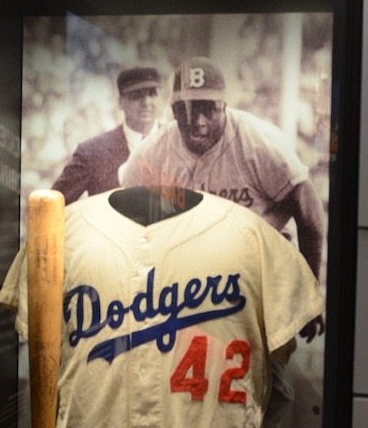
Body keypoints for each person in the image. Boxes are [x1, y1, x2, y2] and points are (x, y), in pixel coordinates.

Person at [120, 56, 325, 338]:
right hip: (185, 292)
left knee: (266, 378)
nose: (199, 121)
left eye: (209, 110)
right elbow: (124, 225)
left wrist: (308, 295)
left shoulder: (257, 141)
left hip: (256, 285)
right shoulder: (151, 154)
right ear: (173, 110)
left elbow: (310, 215)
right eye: (188, 110)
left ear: (224, 107)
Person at [51, 66, 161, 203]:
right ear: (120, 103)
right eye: (136, 96)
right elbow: (52, 204)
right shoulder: (92, 153)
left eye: (152, 93)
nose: (146, 102)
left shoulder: (179, 142)